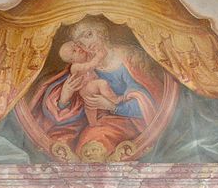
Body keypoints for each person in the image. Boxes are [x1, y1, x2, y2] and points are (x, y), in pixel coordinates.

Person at [23, 18, 164, 161]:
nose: (85, 44)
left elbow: (147, 103)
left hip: (128, 120)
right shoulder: (83, 64)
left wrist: (112, 107)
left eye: (88, 35)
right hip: (96, 118)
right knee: (66, 139)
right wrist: (65, 94)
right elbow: (65, 111)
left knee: (96, 139)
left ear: (102, 33)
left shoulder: (128, 59)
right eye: (79, 42)